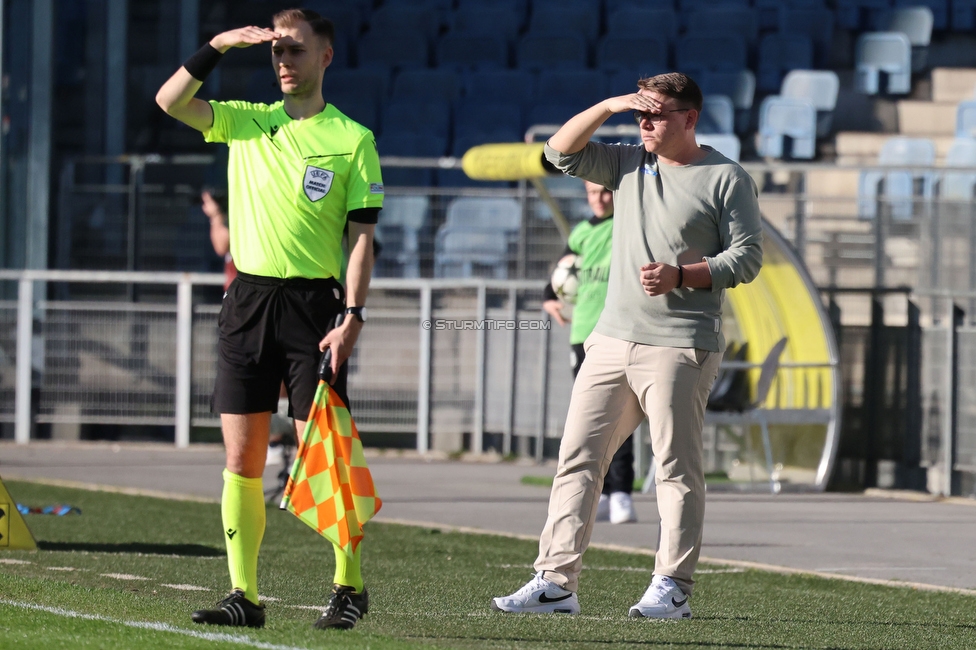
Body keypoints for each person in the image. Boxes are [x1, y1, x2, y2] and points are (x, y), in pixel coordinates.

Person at [492, 72, 762, 619]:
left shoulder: (726, 178)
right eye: (639, 113)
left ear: (689, 119)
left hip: (681, 344)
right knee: (577, 459)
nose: (644, 123)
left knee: (675, 469)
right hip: (611, 340)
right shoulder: (626, 161)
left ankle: (672, 588)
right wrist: (610, 104)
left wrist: (682, 275)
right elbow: (558, 152)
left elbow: (747, 257)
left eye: (655, 115)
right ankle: (555, 582)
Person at [156, 8, 383, 630]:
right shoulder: (246, 122)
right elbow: (170, 99)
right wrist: (219, 45)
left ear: (325, 56)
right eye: (277, 51)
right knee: (242, 459)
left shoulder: (353, 138)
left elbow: (361, 240)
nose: (284, 61)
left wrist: (354, 316)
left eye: (296, 50)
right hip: (248, 302)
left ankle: (348, 585)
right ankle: (244, 596)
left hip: (315, 309)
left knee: (325, 453)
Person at [543, 180, 636, 525]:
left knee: (622, 414)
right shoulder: (581, 232)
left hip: (619, 331)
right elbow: (559, 272)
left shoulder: (628, 224)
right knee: (589, 417)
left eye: (605, 192)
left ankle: (622, 491)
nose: (598, 199)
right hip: (582, 333)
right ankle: (600, 493)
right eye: (592, 192)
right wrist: (549, 298)